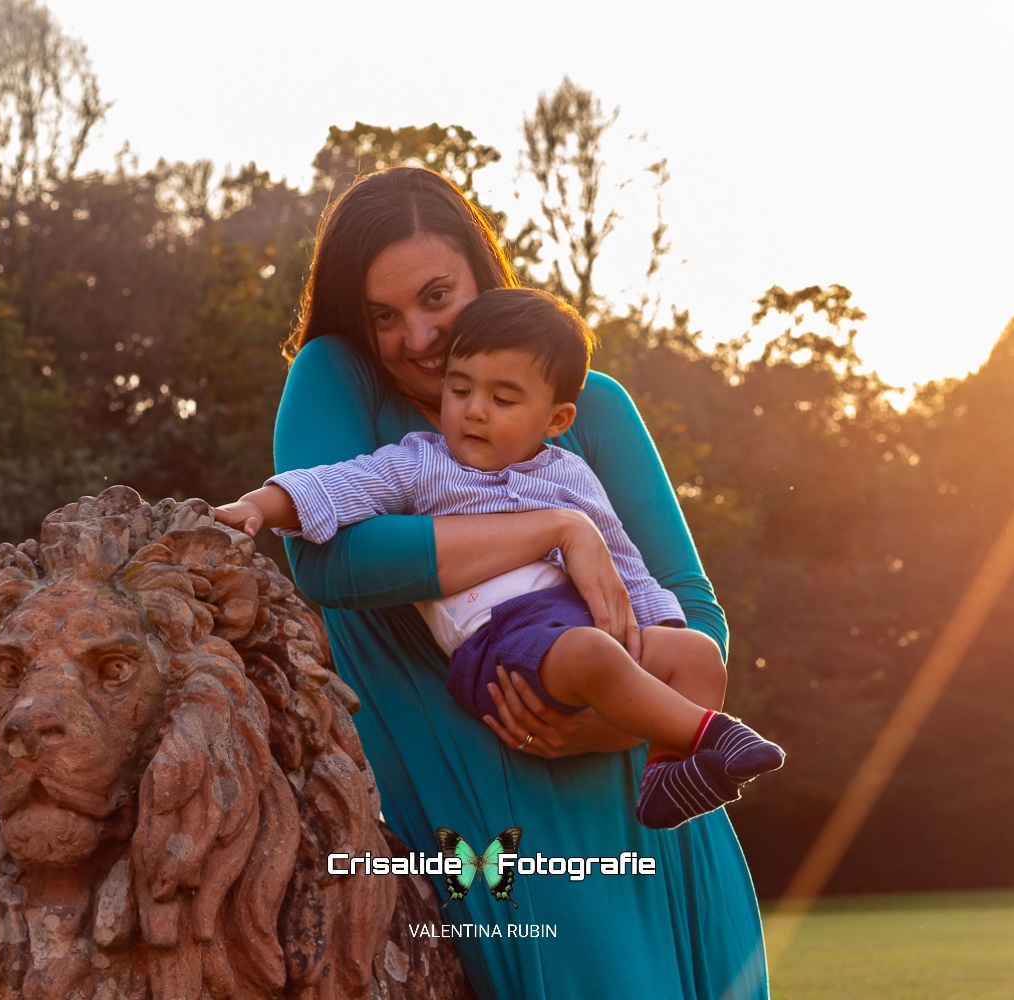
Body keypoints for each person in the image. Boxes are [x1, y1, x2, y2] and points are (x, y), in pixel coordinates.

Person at [261, 165, 770, 999]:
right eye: (384, 316)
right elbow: (329, 561)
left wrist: (616, 722)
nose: (418, 337)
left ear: (484, 275)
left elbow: (692, 606)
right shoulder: (339, 378)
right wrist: (554, 528)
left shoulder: (593, 407)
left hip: (660, 807)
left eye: (437, 297)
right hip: (498, 832)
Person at [217, 287, 784, 830]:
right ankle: (716, 735)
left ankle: (666, 771)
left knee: (698, 654)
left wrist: (653, 641)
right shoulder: (422, 464)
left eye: (502, 399)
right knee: (590, 651)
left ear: (556, 420)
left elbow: (623, 566)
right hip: (498, 643)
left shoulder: (570, 475)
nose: (474, 412)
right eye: (459, 390)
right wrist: (256, 507)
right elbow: (336, 487)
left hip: (583, 631)